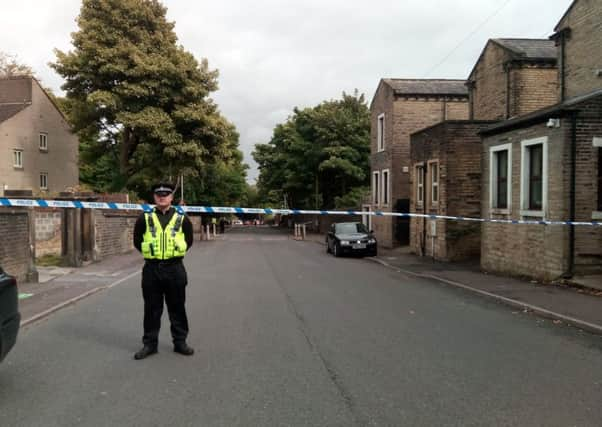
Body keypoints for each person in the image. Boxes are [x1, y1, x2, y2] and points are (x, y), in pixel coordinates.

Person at [132, 182, 195, 360]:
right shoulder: (144, 217)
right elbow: (137, 240)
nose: (162, 196)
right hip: (152, 269)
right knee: (152, 309)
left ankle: (180, 342)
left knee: (177, 307)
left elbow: (189, 240)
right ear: (154, 197)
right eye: (158, 194)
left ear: (171, 197)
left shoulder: (182, 218)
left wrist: (172, 256)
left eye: (166, 194)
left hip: (175, 268)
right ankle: (150, 344)